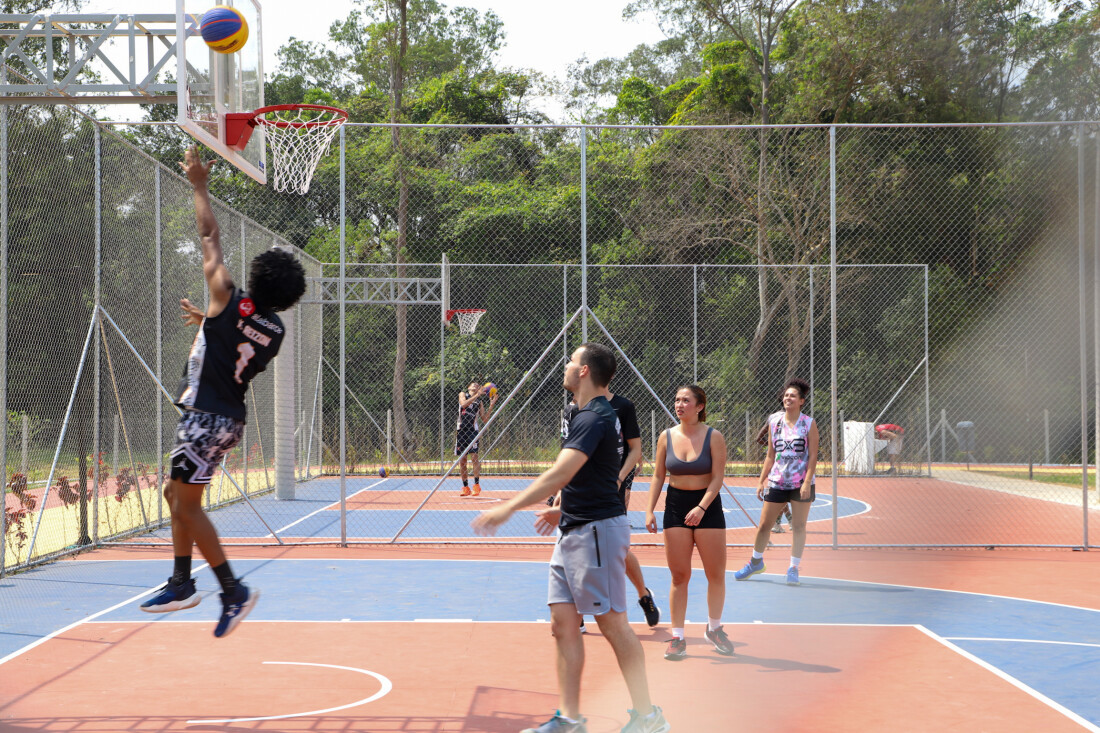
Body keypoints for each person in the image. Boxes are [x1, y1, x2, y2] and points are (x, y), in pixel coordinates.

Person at [139, 146, 306, 637]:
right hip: (228, 419)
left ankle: (228, 590)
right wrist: (210, 324)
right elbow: (239, 339)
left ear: (255, 279)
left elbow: (209, 235)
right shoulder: (274, 331)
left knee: (185, 503)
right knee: (175, 492)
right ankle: (180, 580)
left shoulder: (227, 297)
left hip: (204, 415)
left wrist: (199, 185)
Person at [473, 343, 670, 733]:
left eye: (571, 361)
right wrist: (561, 510)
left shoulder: (597, 417)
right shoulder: (583, 415)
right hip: (574, 529)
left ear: (584, 372)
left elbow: (560, 473)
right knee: (563, 623)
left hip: (597, 532)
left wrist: (507, 508)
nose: (566, 366)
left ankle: (648, 716)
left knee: (613, 625)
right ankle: (569, 719)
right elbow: (589, 477)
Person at [546, 389, 662, 631]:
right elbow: (566, 451)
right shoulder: (571, 409)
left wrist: (618, 479)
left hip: (609, 485)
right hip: (578, 487)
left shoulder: (622, 405)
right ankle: (578, 611)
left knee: (617, 549)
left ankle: (643, 594)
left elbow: (635, 450)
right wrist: (560, 487)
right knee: (574, 544)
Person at [645, 385, 732, 661]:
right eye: (677, 399)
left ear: (699, 406)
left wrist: (701, 507)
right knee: (679, 576)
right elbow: (658, 476)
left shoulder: (714, 437)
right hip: (675, 507)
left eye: (686, 400)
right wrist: (649, 510)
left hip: (707, 507)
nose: (680, 404)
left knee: (715, 574)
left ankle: (714, 628)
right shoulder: (665, 437)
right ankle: (678, 637)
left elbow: (717, 477)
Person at [735, 378, 819, 587]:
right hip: (777, 481)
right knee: (764, 525)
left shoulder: (808, 423)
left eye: (793, 395)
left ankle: (793, 568)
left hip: (801, 483)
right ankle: (755, 562)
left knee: (798, 527)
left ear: (801, 401)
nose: (788, 398)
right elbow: (770, 455)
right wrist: (762, 480)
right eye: (786, 395)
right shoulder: (775, 421)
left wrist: (807, 482)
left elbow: (814, 456)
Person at [455, 380, 497, 496]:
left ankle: (476, 485)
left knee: (474, 457)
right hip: (461, 431)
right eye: (473, 384)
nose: (475, 385)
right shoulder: (463, 394)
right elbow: (463, 404)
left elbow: (484, 419)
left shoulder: (479, 402)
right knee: (462, 460)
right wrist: (476, 395)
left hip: (473, 431)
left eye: (477, 385)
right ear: (468, 387)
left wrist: (491, 406)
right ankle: (465, 487)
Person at [756, 417, 792, 534]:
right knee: (780, 495)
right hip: (780, 463)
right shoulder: (777, 419)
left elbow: (759, 438)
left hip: (784, 463)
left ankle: (785, 521)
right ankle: (780, 522)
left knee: (782, 495)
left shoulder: (774, 418)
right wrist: (775, 446)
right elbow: (759, 438)